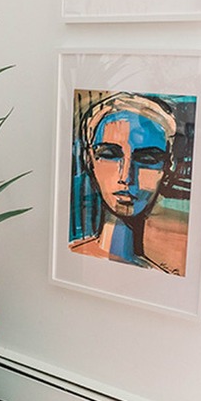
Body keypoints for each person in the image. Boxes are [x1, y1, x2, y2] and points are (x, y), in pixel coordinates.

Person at [69, 91, 179, 273]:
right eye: (109, 155)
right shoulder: (69, 257)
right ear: (90, 162)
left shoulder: (162, 279)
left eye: (148, 159)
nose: (126, 176)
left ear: (168, 169)